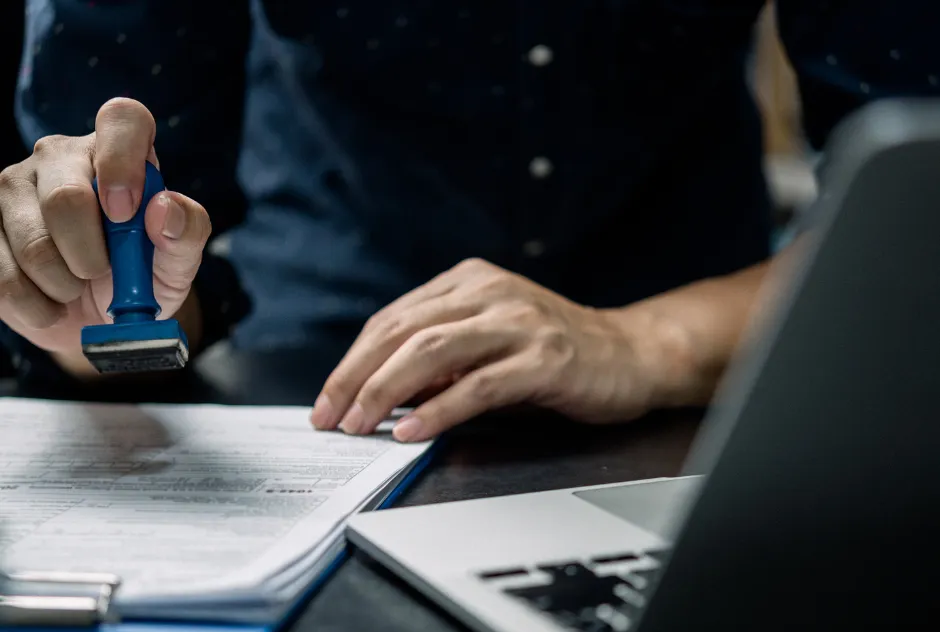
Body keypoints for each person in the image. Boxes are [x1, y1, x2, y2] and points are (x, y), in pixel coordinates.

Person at [0, 2, 937, 442]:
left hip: (714, 373)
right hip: (314, 396)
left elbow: (915, 205)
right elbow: (130, 290)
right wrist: (97, 323)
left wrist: (648, 343)